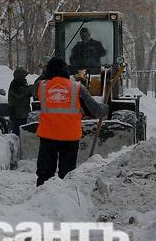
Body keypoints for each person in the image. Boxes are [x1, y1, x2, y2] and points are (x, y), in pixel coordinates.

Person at [35, 56, 105, 186]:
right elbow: (97, 111)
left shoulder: (41, 87)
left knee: (44, 174)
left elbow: (35, 86)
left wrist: (46, 73)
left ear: (48, 71)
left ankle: (42, 195)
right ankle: (66, 195)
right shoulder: (77, 88)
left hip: (48, 136)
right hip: (70, 137)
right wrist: (105, 108)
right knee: (67, 174)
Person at [6, 67, 31, 136]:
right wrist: (30, 89)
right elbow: (19, 94)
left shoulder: (22, 83)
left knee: (22, 130)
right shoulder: (15, 83)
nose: (25, 77)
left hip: (22, 112)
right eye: (24, 75)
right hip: (17, 112)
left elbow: (26, 94)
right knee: (17, 131)